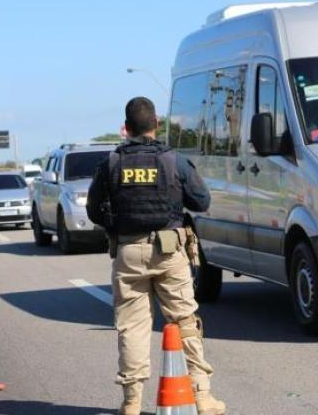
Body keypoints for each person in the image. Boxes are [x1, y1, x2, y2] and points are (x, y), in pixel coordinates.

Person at [87, 97, 226, 415]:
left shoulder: (111, 163)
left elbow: (94, 210)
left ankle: (132, 403)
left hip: (128, 250)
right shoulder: (173, 161)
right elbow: (202, 201)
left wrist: (118, 225)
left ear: (125, 128)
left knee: (132, 327)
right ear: (157, 124)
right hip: (168, 249)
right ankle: (202, 397)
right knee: (185, 321)